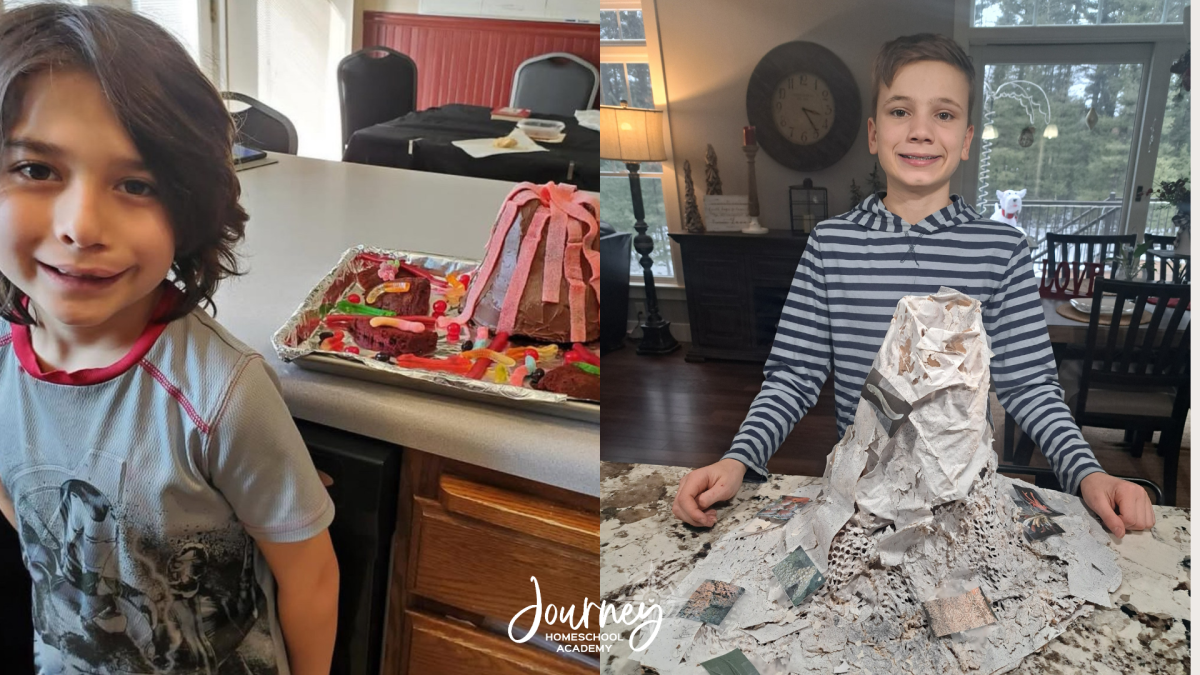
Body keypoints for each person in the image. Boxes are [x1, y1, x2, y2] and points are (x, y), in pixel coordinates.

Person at [672, 33, 1156, 539]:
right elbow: (793, 375)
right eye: (900, 111)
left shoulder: (1002, 250)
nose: (921, 131)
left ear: (967, 139)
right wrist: (738, 458)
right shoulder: (830, 244)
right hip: (862, 503)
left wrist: (1088, 471)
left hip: (963, 507)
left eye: (943, 115)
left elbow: (1030, 385)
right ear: (874, 133)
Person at [0, 5, 338, 673]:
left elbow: (311, 576)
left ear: (187, 208)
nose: (81, 225)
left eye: (135, 183)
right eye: (38, 169)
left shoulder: (222, 396)